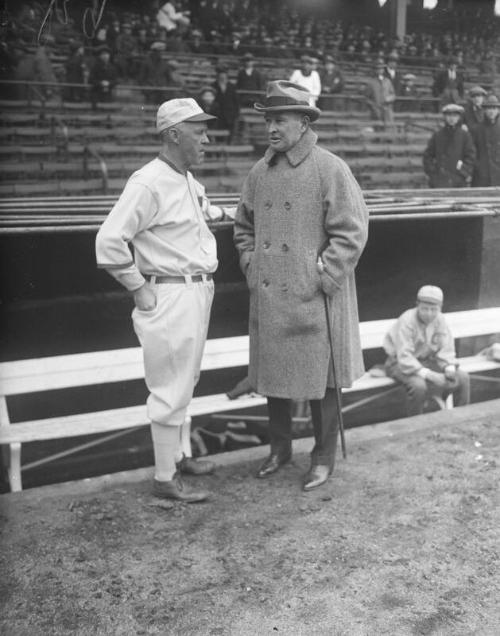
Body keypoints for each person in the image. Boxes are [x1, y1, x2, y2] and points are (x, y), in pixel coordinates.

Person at [96, 98, 234, 502]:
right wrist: (137, 285)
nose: (206, 139)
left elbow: (204, 212)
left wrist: (238, 211)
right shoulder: (148, 181)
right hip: (169, 290)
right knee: (169, 386)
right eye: (199, 132)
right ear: (173, 134)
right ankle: (163, 478)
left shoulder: (187, 179)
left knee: (185, 380)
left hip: (196, 289)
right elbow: (108, 241)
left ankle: (179, 456)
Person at [233, 80, 369, 491]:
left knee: (321, 384)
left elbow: (352, 231)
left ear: (304, 122)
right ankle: (280, 450)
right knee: (274, 375)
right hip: (272, 294)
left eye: (280, 120)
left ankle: (323, 457)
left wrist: (323, 276)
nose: (271, 128)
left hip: (313, 297)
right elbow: (243, 227)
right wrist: (251, 263)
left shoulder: (329, 168)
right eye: (268, 120)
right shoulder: (260, 171)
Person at [383, 286, 470, 417]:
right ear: (417, 305)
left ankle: (460, 419)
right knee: (419, 386)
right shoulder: (407, 320)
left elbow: (446, 348)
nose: (429, 314)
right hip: (399, 364)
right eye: (425, 309)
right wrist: (431, 375)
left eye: (434, 309)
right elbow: (404, 356)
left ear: (440, 308)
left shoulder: (440, 319)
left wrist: (449, 368)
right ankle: (416, 424)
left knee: (462, 377)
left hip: (427, 362)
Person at [422, 103, 476, 188]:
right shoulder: (438, 135)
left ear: (458, 117)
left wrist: (463, 172)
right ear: (445, 117)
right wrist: (433, 173)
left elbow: (470, 156)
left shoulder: (465, 136)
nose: (452, 118)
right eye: (449, 115)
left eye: (455, 115)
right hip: (439, 180)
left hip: (458, 180)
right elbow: (427, 155)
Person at [471, 94, 500, 187]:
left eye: (494, 108)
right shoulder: (477, 129)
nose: (491, 111)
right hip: (481, 175)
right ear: (484, 110)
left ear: (498, 110)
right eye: (489, 108)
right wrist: (478, 166)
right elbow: (471, 152)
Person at [212, 64, 240, 142]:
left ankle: (228, 151)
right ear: (217, 75)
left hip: (230, 116)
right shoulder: (213, 86)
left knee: (229, 137)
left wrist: (236, 114)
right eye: (220, 74)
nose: (222, 76)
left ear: (226, 75)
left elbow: (236, 102)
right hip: (217, 116)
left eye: (224, 74)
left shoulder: (232, 86)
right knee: (218, 137)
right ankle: (218, 153)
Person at [364, 60, 396, 129]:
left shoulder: (387, 81)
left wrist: (389, 98)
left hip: (387, 110)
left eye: (381, 68)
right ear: (375, 70)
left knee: (388, 128)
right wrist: (373, 106)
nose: (380, 70)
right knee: (377, 128)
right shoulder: (371, 83)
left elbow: (393, 95)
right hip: (376, 111)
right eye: (378, 69)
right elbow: (366, 98)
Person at [88, 45, 118, 109]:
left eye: (107, 54)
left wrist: (109, 83)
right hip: (97, 94)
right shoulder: (95, 66)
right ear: (99, 56)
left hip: (108, 94)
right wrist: (101, 83)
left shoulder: (112, 67)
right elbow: (91, 79)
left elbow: (115, 80)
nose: (105, 56)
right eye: (103, 54)